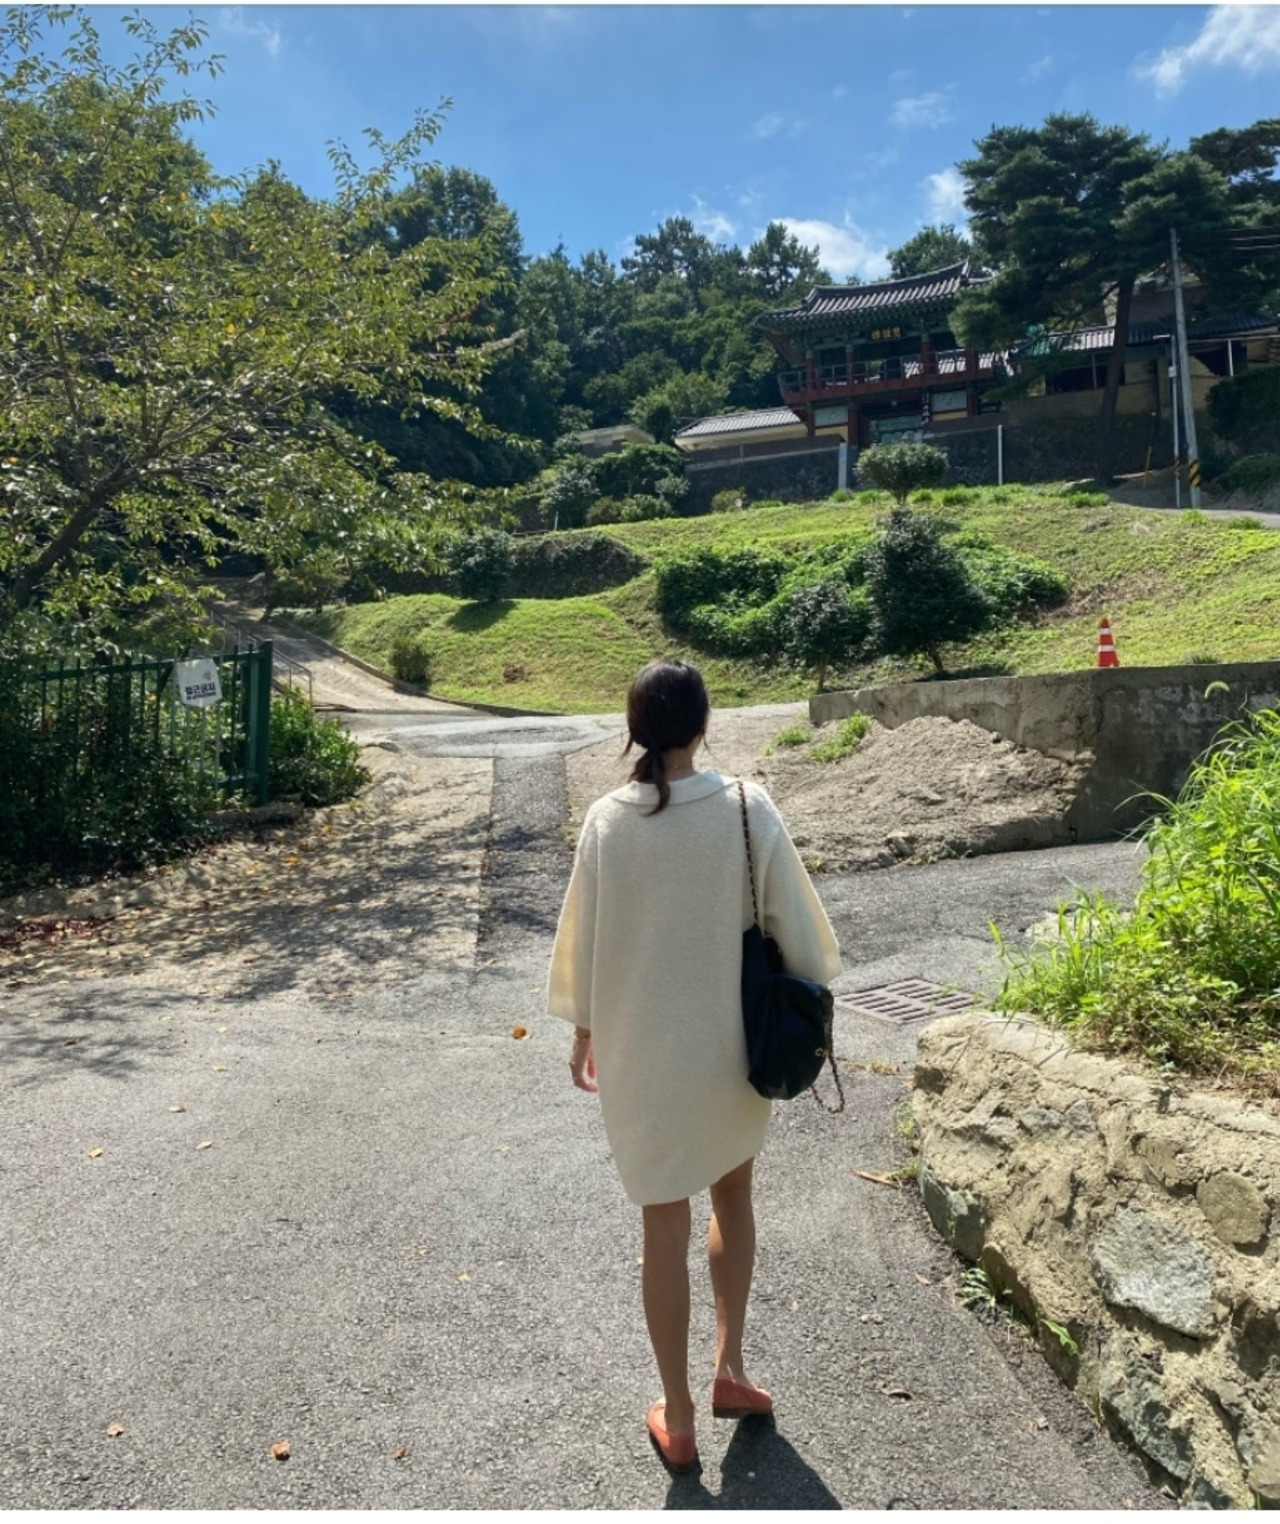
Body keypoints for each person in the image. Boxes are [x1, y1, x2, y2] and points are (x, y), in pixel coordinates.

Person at [547, 658, 842, 1474]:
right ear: (703, 722)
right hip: (729, 1046)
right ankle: (731, 1369)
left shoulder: (606, 822)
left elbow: (584, 941)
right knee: (733, 1193)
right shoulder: (746, 806)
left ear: (634, 728)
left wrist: (584, 1032)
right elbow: (801, 936)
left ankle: (677, 1417)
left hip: (640, 1051)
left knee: (661, 1223)